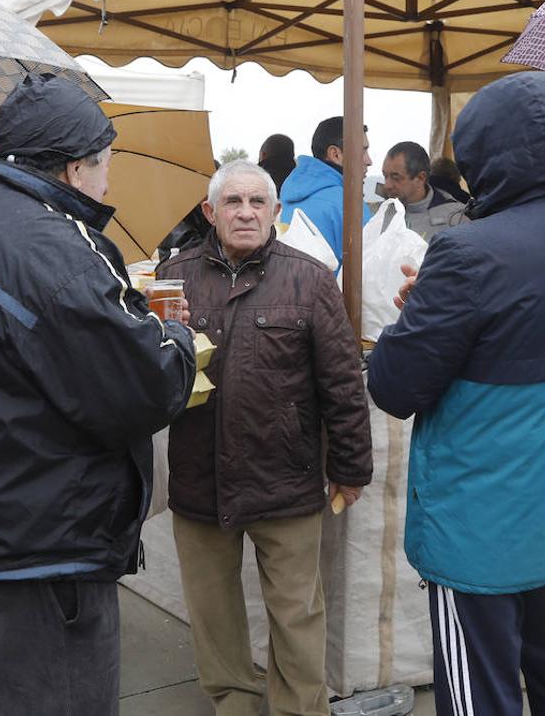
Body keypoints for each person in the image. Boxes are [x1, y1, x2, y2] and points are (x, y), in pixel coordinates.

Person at [0, 75, 196, 716]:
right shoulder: (52, 250)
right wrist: (174, 335)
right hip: (44, 544)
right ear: (74, 168)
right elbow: (145, 386)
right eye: (105, 166)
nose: (108, 184)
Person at [368, 72, 545, 716]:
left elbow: (394, 386)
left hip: (481, 533)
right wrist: (438, 309)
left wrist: (419, 314)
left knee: (478, 699)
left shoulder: (465, 250)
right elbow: (513, 326)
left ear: (483, 154)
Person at [157, 160, 372, 716]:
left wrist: (350, 469)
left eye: (258, 202)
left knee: (297, 613)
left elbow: (343, 383)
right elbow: (146, 383)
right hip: (200, 476)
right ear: (210, 212)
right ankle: (232, 702)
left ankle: (300, 709)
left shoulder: (309, 278)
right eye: (233, 202)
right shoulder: (171, 280)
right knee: (213, 611)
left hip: (287, 477)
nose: (246, 212)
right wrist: (161, 333)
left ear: (277, 211)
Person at [278, 116, 373, 265]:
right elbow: (372, 266)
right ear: (335, 154)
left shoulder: (283, 200)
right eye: (362, 151)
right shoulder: (349, 203)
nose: (369, 161)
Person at [380, 141, 466, 241]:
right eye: (385, 176)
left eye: (396, 178)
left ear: (421, 178)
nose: (387, 185)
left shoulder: (456, 218)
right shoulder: (381, 213)